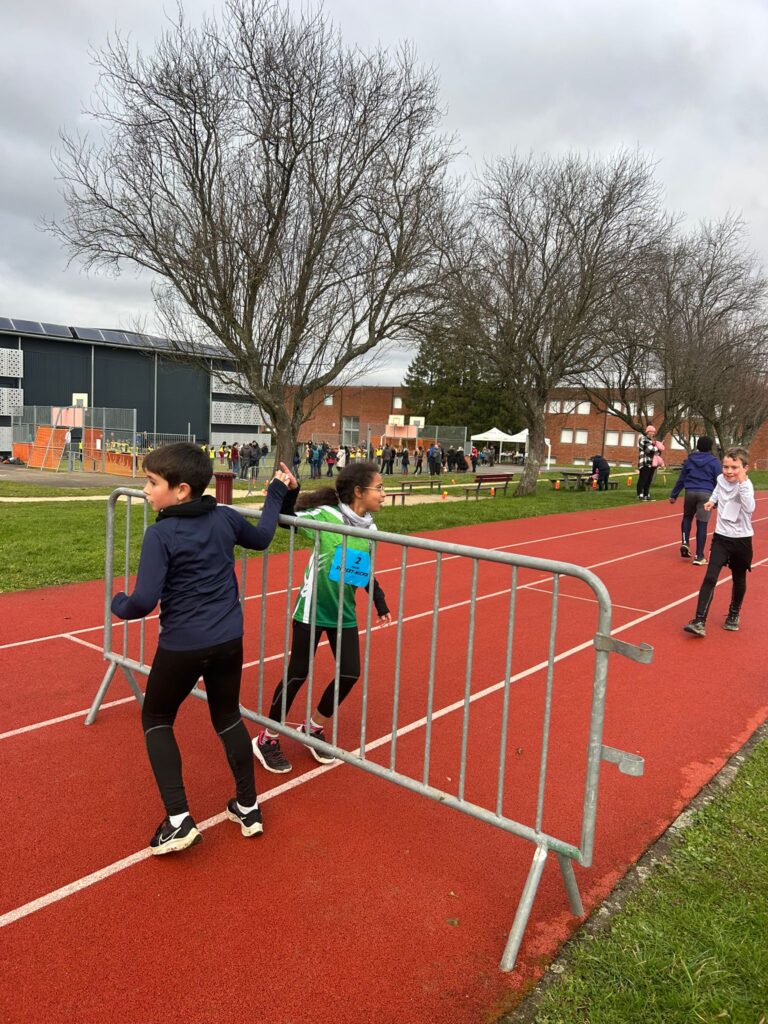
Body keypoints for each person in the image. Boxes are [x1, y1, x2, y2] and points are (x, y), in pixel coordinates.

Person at [110, 443, 298, 854]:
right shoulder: (225, 517)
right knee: (227, 718)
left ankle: (178, 819)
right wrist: (276, 493)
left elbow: (143, 602)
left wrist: (117, 602)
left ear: (180, 490)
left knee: (157, 718)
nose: (144, 490)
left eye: (151, 482)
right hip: (229, 640)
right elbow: (264, 537)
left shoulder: (160, 534)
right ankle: (248, 807)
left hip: (183, 645)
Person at [254, 461, 392, 773]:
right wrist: (293, 491)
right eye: (379, 488)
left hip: (343, 613)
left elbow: (361, 568)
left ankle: (312, 728)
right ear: (359, 492)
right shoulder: (326, 516)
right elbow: (286, 521)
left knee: (350, 673)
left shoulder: (370, 530)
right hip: (311, 609)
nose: (384, 494)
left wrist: (378, 599)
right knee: (298, 672)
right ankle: (267, 736)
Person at [683, 447, 755, 637]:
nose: (729, 471)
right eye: (725, 467)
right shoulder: (721, 479)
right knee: (710, 577)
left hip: (741, 540)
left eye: (734, 467)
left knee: (739, 578)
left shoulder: (746, 485)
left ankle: (733, 614)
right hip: (721, 537)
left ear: (745, 468)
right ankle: (699, 621)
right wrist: (711, 502)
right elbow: (717, 491)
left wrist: (742, 483)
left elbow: (749, 507)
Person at [669, 436, 722, 564]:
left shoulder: (690, 460)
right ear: (710, 447)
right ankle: (699, 556)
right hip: (706, 494)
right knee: (702, 524)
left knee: (687, 517)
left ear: (697, 446)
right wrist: (717, 500)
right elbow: (719, 482)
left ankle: (685, 541)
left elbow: (682, 478)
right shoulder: (714, 462)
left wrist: (674, 494)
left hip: (690, 492)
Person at [636, 424, 663, 500]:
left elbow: (657, 451)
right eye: (652, 432)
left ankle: (646, 494)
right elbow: (650, 449)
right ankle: (639, 493)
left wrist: (657, 447)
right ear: (648, 432)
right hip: (644, 461)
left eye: (654, 432)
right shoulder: (643, 439)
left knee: (649, 479)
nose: (653, 433)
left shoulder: (652, 441)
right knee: (643, 478)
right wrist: (657, 447)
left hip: (652, 463)